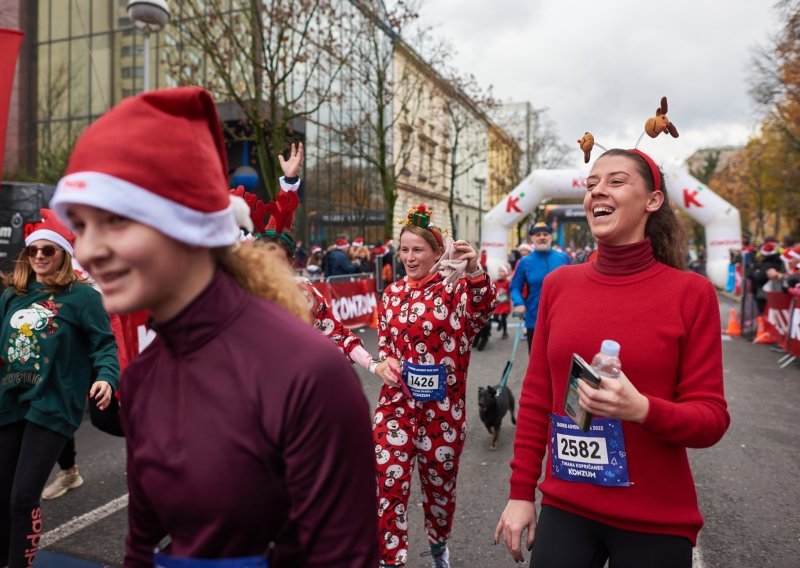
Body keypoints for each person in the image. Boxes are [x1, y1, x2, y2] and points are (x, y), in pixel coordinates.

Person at [50, 86, 378, 567]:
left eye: (115, 220)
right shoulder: (141, 378)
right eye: (79, 224)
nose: (88, 250)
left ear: (188, 221)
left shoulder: (310, 372)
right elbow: (141, 546)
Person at [494, 148, 730, 568]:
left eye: (616, 181)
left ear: (652, 200)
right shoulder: (559, 284)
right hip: (567, 505)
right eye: (591, 184)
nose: (597, 190)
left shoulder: (690, 293)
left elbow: (711, 419)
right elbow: (535, 396)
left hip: (654, 516)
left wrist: (642, 409)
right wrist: (520, 492)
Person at [370, 204, 496, 568]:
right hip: (395, 409)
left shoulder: (454, 291)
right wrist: (383, 363)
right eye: (405, 250)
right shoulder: (391, 293)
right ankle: (390, 559)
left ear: (437, 253)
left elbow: (483, 307)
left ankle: (439, 545)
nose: (409, 257)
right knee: (388, 488)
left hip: (443, 414)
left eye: (418, 250)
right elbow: (385, 345)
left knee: (439, 493)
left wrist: (473, 270)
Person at [0, 210, 119, 568]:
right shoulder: (12, 296)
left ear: (64, 255)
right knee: (2, 494)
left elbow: (105, 346)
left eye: (48, 251)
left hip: (52, 404)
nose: (39, 257)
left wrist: (106, 377)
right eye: (33, 251)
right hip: (9, 402)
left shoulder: (82, 298)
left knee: (22, 497)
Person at [510, 223, 571, 353]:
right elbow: (515, 287)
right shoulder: (524, 262)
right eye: (538, 235)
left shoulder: (563, 258)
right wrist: (519, 303)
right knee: (536, 359)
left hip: (561, 318)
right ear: (532, 238)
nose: (542, 237)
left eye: (545, 234)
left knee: (559, 358)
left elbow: (574, 284)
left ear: (550, 237)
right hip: (534, 318)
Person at [493, 264, 512, 339]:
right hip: (498, 304)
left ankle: (505, 332)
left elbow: (512, 291)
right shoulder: (495, 282)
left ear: (506, 273)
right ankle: (499, 323)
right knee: (495, 317)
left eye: (502, 271)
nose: (500, 273)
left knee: (504, 318)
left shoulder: (508, 283)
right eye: (499, 271)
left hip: (505, 304)